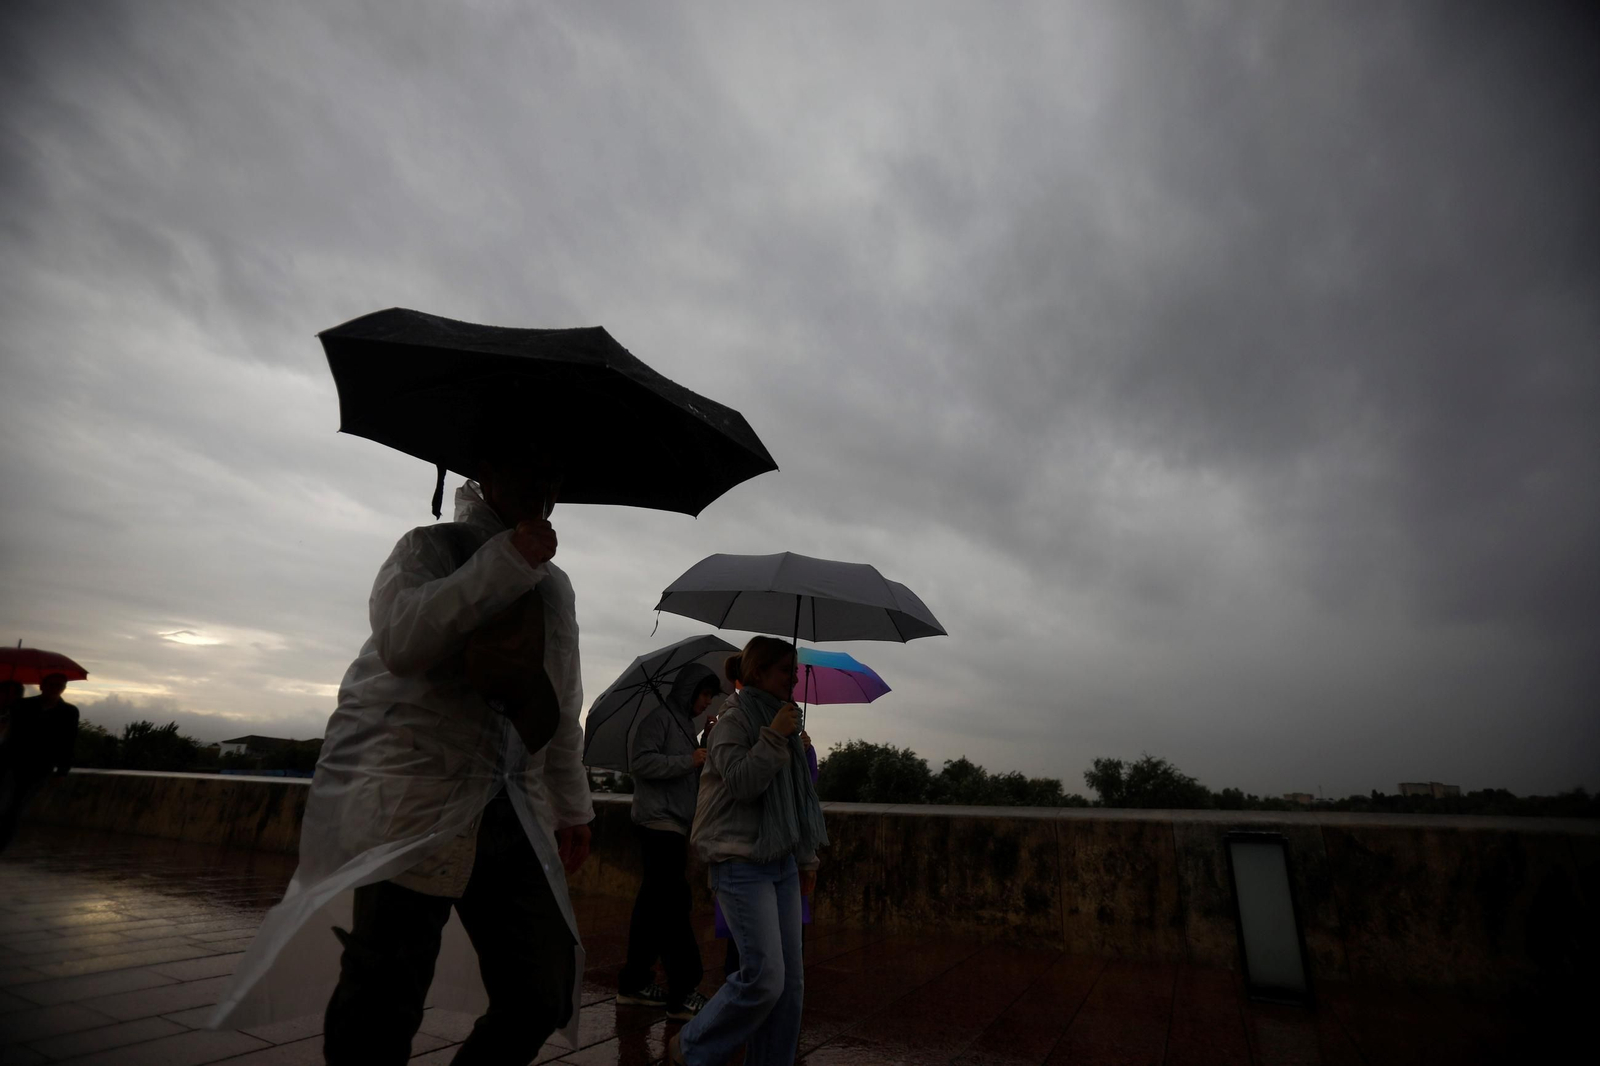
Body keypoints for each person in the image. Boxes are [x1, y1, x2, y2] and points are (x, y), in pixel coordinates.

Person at [210, 451, 594, 1066]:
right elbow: (402, 639)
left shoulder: (556, 586)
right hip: (415, 801)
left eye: (552, 474)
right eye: (528, 467)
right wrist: (505, 562)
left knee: (540, 992)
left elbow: (561, 697)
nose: (542, 485)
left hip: (512, 808)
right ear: (486, 473)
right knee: (383, 995)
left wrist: (573, 806)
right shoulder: (428, 550)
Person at [669, 637, 828, 1066]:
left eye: (794, 672)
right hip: (739, 860)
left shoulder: (787, 722)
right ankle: (691, 1045)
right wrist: (774, 737)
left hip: (782, 862)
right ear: (758, 673)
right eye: (785, 672)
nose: (794, 679)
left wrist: (807, 857)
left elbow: (797, 797)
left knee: (790, 984)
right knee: (763, 978)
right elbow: (741, 783)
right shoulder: (733, 720)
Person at [616, 663, 722, 1020]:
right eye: (704, 694)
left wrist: (701, 744)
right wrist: (687, 758)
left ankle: (634, 983)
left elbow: (686, 767)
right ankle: (683, 991)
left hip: (673, 825)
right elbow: (641, 763)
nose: (707, 702)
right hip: (659, 824)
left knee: (652, 909)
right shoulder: (659, 719)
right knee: (674, 906)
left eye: (710, 696)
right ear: (689, 690)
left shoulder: (682, 724)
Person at [0, 673, 78, 851]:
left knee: (15, 810)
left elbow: (68, 741)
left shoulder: (69, 712)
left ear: (63, 689)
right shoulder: (22, 705)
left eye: (59, 686)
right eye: (51, 685)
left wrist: (62, 771)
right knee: (4, 805)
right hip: (12, 763)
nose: (55, 689)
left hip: (40, 767)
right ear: (42, 686)